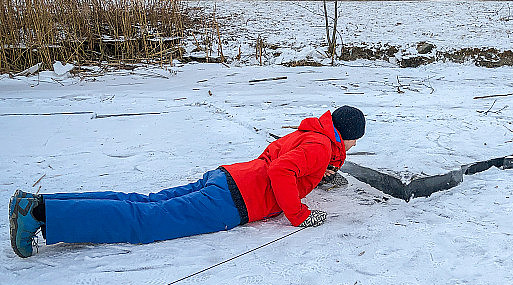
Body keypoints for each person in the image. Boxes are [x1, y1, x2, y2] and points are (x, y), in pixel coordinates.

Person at [8, 106, 365, 258]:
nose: (350, 148)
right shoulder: (321, 147)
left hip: (228, 179)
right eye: (353, 141)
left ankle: (39, 205)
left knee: (141, 202)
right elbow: (280, 172)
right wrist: (300, 214)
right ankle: (41, 215)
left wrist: (315, 176)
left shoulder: (312, 134)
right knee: (143, 222)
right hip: (232, 201)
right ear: (347, 136)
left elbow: (275, 157)